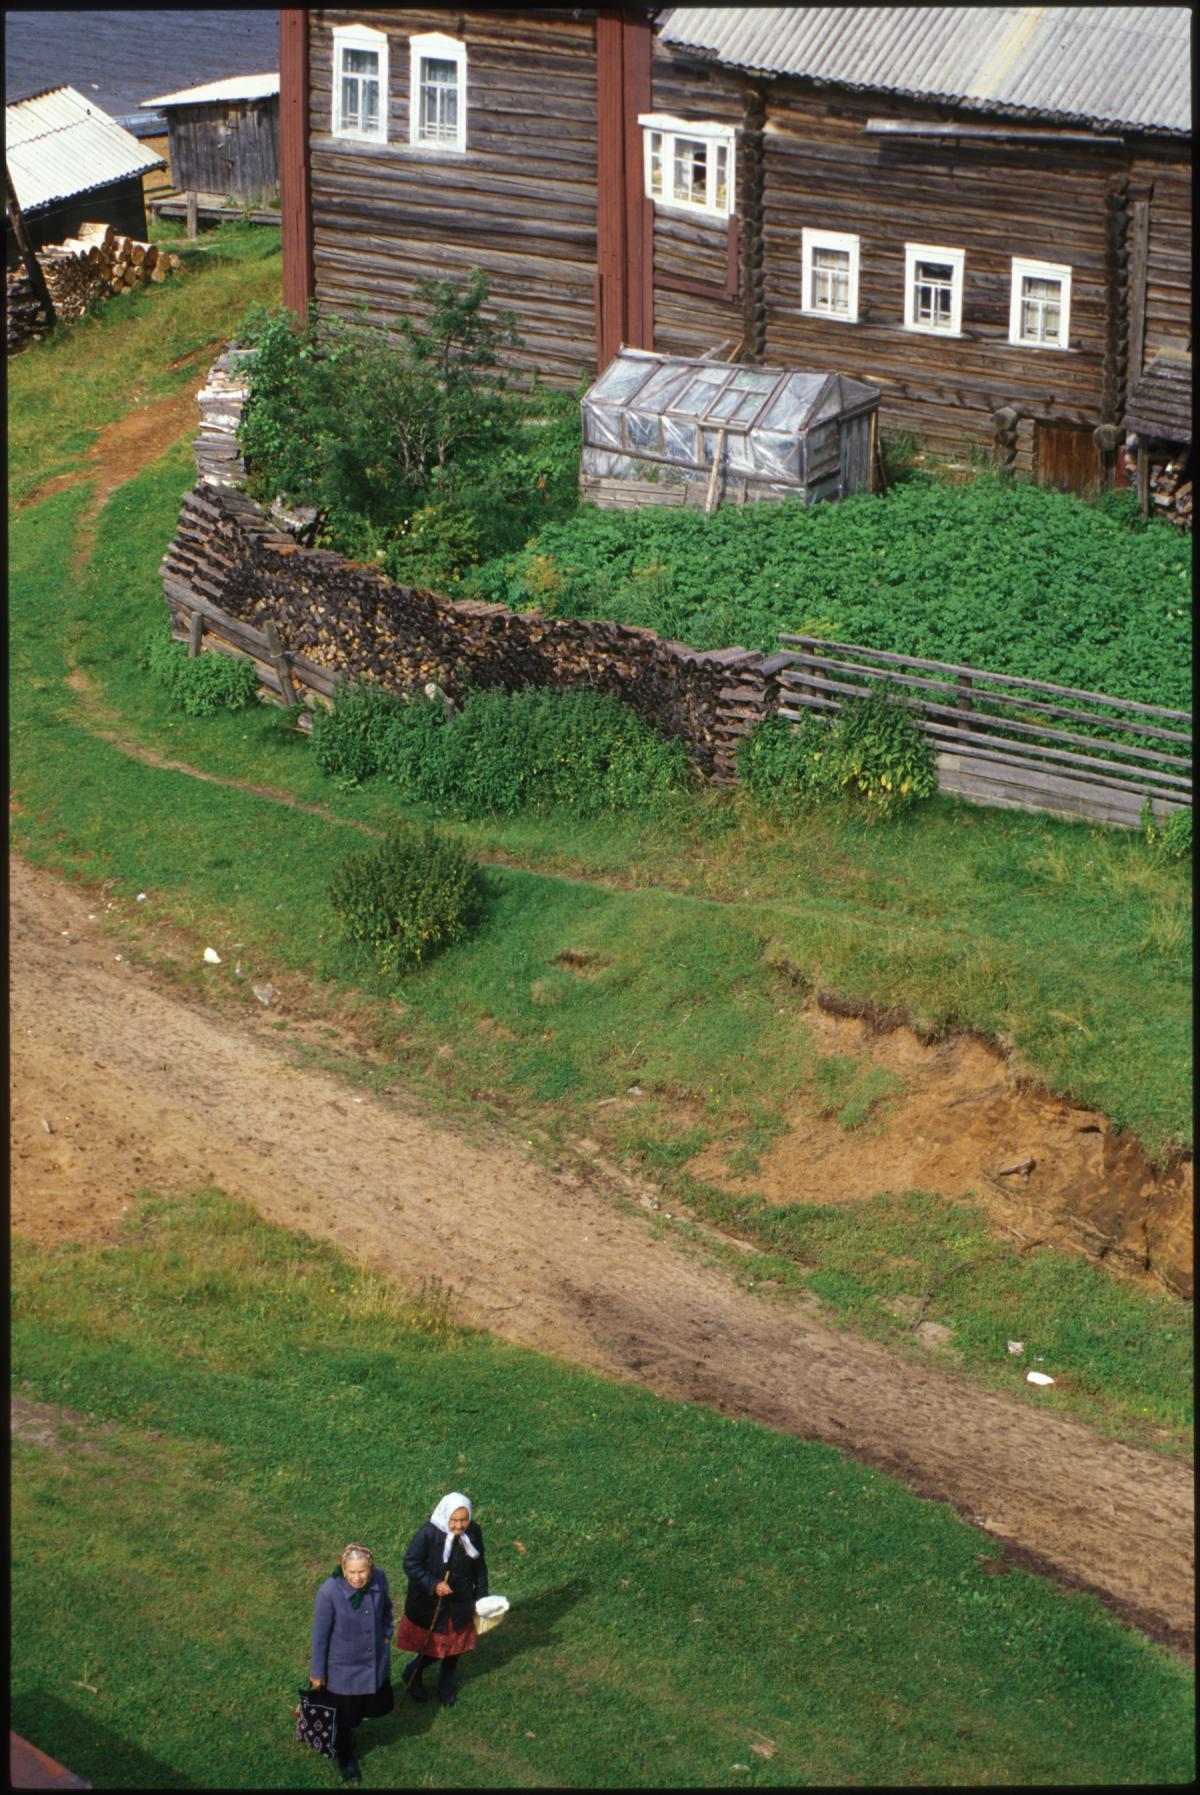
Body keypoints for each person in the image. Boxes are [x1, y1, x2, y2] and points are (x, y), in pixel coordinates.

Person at [310, 1543, 395, 1783]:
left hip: (372, 1662)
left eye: (362, 1571)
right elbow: (319, 1636)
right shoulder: (328, 1593)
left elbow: (387, 1607)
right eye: (352, 1572)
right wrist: (317, 1673)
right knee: (344, 1720)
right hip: (343, 1670)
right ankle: (345, 1758)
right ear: (343, 1568)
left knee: (372, 1706)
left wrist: (387, 1631)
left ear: (370, 1568)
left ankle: (350, 1733)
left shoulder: (380, 1578)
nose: (357, 1578)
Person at [395, 1491, 488, 1709]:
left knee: (456, 1646)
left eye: (464, 1519)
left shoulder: (473, 1532)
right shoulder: (428, 1533)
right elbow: (411, 1564)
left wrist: (481, 1595)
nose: (459, 1525)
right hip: (431, 1603)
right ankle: (413, 1672)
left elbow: (479, 1566)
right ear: (445, 1516)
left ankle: (446, 1685)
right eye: (454, 1520)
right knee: (433, 1646)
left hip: (460, 1601)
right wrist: (433, 1584)